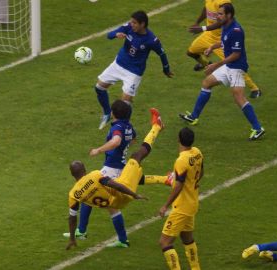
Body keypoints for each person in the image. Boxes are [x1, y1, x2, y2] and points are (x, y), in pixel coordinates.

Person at [66, 108, 166, 250]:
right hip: (122, 180)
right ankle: (167, 179)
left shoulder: (74, 193)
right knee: (137, 162)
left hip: (114, 170)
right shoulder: (128, 127)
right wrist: (134, 194)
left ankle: (156, 126)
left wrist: (99, 150)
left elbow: (116, 141)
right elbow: (132, 139)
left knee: (138, 156)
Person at [179, 3, 265, 141]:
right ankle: (194, 117)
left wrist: (216, 65)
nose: (217, 17)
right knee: (207, 83)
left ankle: (258, 128)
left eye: (220, 14)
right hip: (229, 66)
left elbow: (236, 54)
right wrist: (212, 46)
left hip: (236, 67)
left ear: (229, 15)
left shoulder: (236, 31)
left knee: (239, 97)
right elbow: (224, 41)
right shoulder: (226, 25)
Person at [94, 10, 173, 130]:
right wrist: (116, 35)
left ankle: (126, 130)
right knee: (99, 87)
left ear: (143, 24)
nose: (132, 24)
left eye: (135, 23)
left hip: (133, 72)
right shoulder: (128, 28)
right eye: (131, 22)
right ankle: (107, 113)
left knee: (124, 102)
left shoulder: (151, 40)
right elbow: (109, 35)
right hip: (118, 64)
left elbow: (162, 53)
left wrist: (166, 69)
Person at [186, 0, 262, 98]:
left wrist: (203, 28)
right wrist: (197, 22)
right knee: (191, 52)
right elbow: (206, 8)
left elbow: (221, 22)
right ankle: (207, 64)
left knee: (234, 65)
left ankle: (255, 88)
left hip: (220, 39)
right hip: (208, 35)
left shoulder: (223, 2)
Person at [158, 127, 203, 270]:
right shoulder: (197, 152)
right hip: (192, 203)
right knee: (187, 238)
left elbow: (178, 186)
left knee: (164, 242)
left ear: (178, 139)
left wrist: (165, 205)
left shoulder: (181, 160)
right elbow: (201, 172)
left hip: (182, 206)